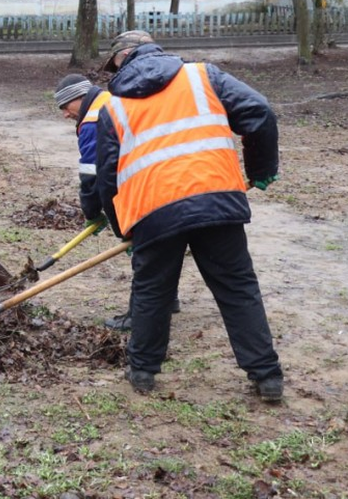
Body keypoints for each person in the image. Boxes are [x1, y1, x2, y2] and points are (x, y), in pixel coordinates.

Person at [95, 30, 284, 402]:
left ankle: (143, 371)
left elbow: (107, 178)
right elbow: (259, 112)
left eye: (112, 62)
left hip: (153, 212)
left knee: (152, 290)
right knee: (237, 288)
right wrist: (262, 168)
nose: (111, 70)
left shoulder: (112, 107)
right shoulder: (203, 76)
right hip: (216, 200)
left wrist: (124, 229)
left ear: (126, 55)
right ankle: (267, 376)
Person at [55, 71, 178, 331]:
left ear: (78, 98)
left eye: (65, 107)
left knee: (142, 247)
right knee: (163, 245)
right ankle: (168, 298)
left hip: (140, 186)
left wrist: (92, 213)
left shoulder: (92, 120)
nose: (65, 114)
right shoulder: (114, 99)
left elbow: (92, 175)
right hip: (161, 177)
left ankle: (141, 314)